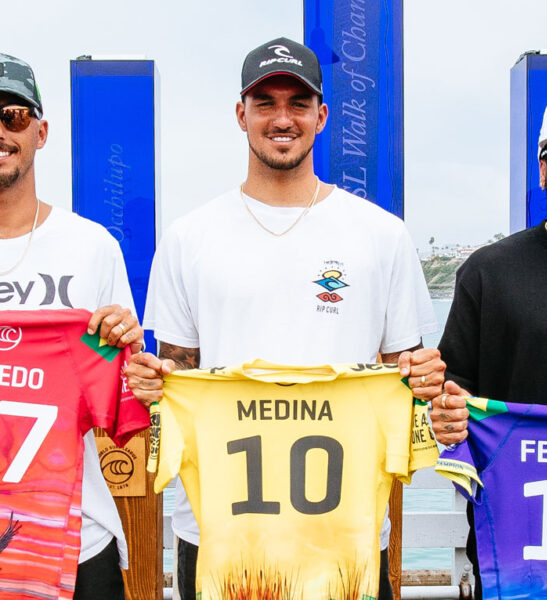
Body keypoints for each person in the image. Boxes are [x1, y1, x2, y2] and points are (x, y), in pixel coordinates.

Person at [127, 37, 445, 600]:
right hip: (219, 534)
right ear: (240, 114)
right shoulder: (188, 238)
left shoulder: (381, 235)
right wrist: (153, 383)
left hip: (345, 534)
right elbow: (178, 379)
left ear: (321, 116)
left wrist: (425, 381)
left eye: (297, 104)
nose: (282, 118)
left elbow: (404, 381)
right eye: (265, 102)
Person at [0, 52, 144, 599]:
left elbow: (130, 407)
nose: (1, 132)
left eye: (12, 116)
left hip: (74, 539)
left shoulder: (91, 248)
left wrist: (130, 353)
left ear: (41, 131)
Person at [431, 97, 547, 599]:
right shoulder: (490, 272)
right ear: (543, 167)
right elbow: (449, 401)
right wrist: (443, 415)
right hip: (517, 546)